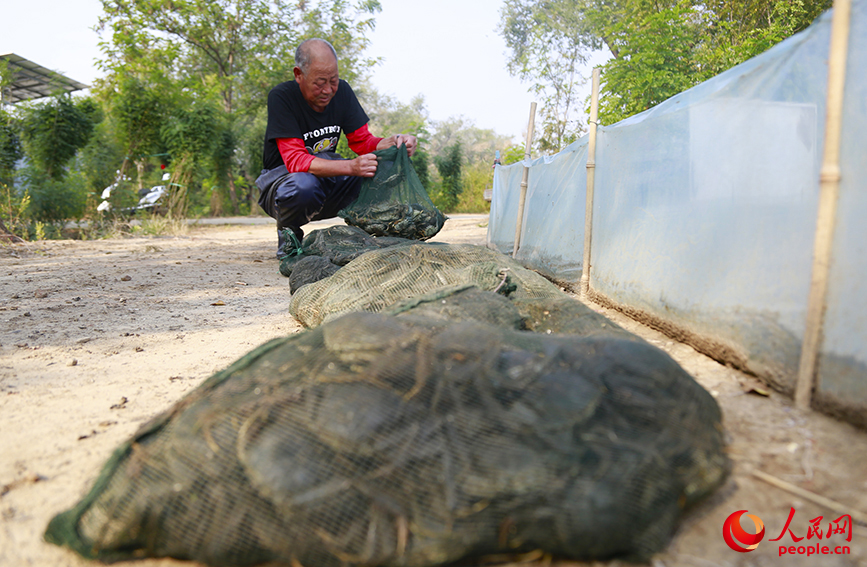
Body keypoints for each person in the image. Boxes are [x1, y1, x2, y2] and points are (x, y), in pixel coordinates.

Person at [256, 38, 418, 258]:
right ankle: (290, 239)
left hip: (329, 181)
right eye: (320, 82)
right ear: (298, 74)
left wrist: (394, 143)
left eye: (333, 80)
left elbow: (362, 142)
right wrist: (351, 167)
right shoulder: (282, 97)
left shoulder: (342, 92)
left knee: (385, 166)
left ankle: (370, 235)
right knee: (303, 184)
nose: (328, 90)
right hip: (284, 186)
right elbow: (295, 160)